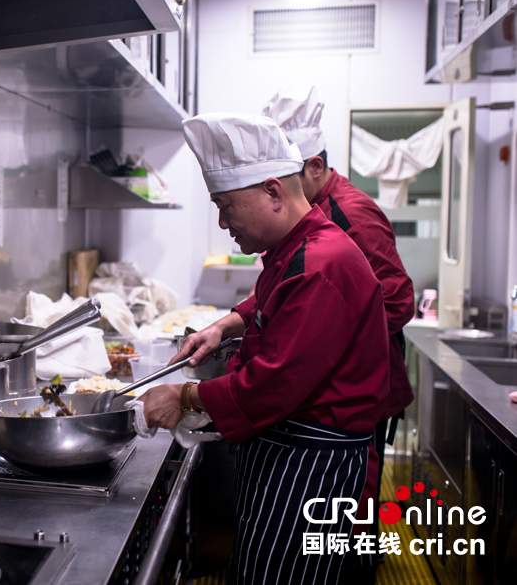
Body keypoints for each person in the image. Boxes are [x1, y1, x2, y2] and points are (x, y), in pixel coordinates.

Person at [139, 113, 390, 585]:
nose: (222, 221)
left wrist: (184, 398)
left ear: (273, 192)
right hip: (291, 453)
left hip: (310, 464)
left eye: (226, 205)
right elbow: (274, 300)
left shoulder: (320, 262)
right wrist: (227, 325)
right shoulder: (299, 249)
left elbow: (274, 382)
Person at [263, 86, 416, 582]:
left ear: (313, 166)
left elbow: (398, 299)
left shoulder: (353, 213)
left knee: (355, 505)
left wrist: (330, 341)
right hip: (341, 384)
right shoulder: (309, 214)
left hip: (366, 387)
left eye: (287, 178)